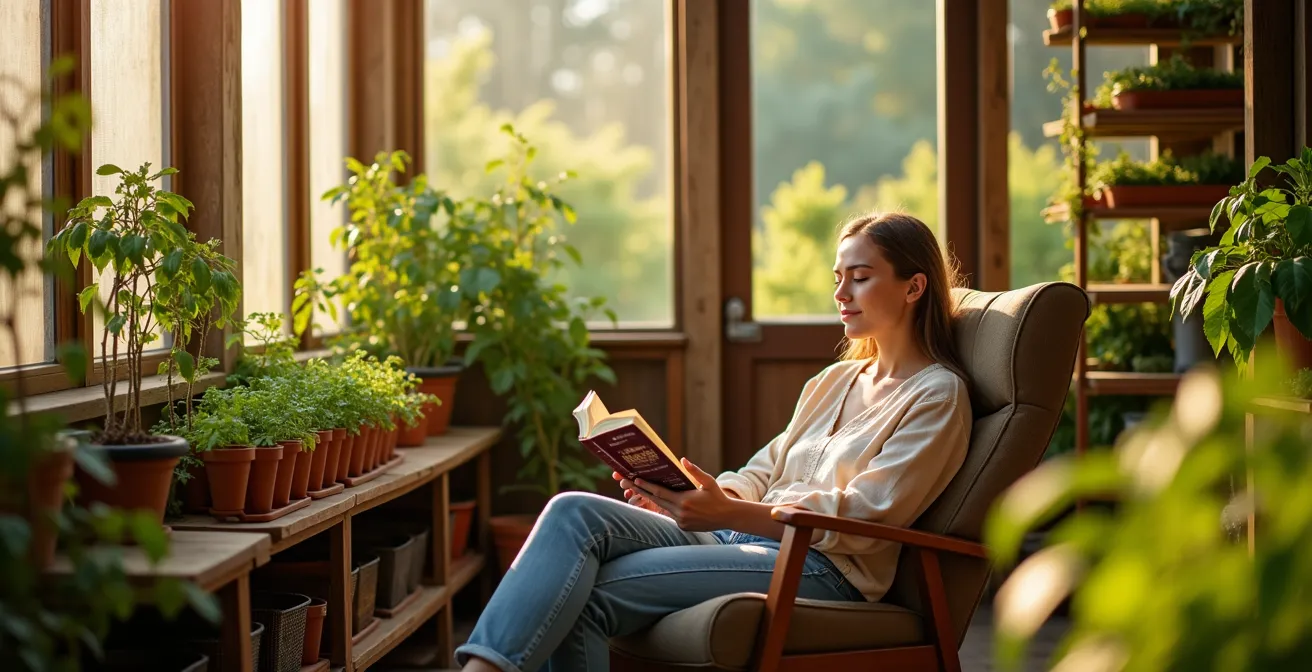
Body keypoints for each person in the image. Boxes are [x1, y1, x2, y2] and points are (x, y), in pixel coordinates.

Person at [457, 212, 973, 672]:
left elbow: (867, 515)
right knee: (573, 511)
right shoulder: (834, 381)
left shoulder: (937, 396)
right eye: (838, 279)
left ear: (913, 287)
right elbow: (764, 470)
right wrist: (684, 496)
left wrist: (725, 515)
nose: (840, 294)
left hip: (821, 568)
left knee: (584, 594)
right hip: (741, 537)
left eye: (859, 279)